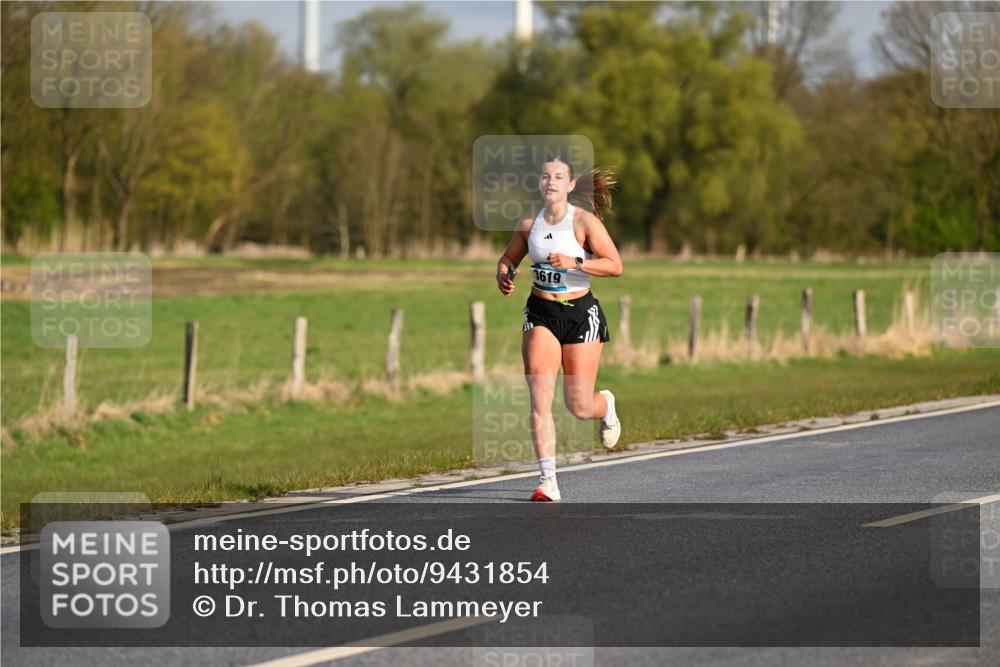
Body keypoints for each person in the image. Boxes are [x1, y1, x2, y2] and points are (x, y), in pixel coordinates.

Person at [495, 157, 623, 502]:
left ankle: (605, 405)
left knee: (579, 406)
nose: (550, 181)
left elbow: (615, 265)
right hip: (541, 314)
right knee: (540, 397)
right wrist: (504, 274)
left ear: (570, 185)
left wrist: (575, 262)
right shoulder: (528, 223)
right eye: (545, 176)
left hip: (581, 315)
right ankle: (547, 480)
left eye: (558, 176)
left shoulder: (584, 222)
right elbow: (508, 258)